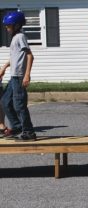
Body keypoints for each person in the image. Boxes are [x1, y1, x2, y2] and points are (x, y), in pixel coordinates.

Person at [0, 10, 36, 141]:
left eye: (8, 25)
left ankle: (29, 132)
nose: (6, 27)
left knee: (19, 105)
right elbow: (15, 57)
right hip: (13, 76)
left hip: (20, 76)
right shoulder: (15, 38)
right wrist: (4, 67)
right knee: (5, 101)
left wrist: (27, 75)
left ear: (17, 25)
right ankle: (16, 126)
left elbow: (30, 56)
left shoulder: (20, 37)